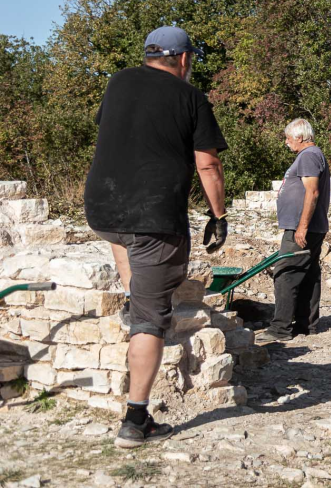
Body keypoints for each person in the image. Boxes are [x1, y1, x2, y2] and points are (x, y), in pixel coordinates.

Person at [84, 26, 228, 449]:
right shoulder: (190, 97)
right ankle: (135, 420)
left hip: (103, 209)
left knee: (126, 248)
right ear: (183, 59)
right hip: (153, 217)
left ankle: (136, 298)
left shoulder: (118, 82)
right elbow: (208, 165)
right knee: (150, 320)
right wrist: (218, 215)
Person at [257, 119, 331, 344]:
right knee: (307, 274)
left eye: (288, 138)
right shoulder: (311, 155)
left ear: (299, 137)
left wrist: (302, 227)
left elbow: (312, 192)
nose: (286, 142)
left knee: (285, 272)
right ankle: (306, 325)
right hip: (309, 226)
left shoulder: (308, 156)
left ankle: (280, 328)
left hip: (303, 228)